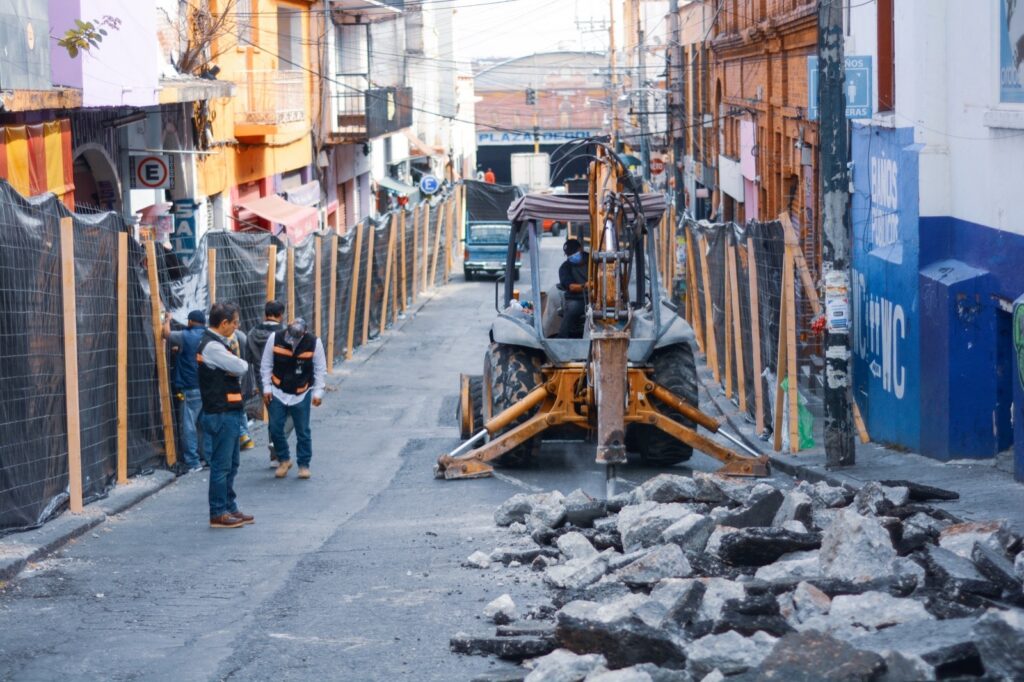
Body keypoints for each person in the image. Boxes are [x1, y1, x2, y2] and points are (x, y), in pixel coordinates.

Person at [197, 302, 253, 529]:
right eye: (235, 322)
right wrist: (236, 365)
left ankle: (229, 507)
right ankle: (218, 512)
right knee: (222, 466)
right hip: (221, 412)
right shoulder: (212, 347)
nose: (237, 327)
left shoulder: (217, 343)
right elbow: (241, 367)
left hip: (227, 411)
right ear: (223, 323)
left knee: (232, 463)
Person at [261, 317, 326, 480]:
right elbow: (266, 364)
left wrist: (318, 392)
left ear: (304, 333)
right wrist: (267, 387)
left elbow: (319, 369)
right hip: (277, 390)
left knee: (303, 431)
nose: (292, 340)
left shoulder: (314, 343)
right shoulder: (275, 338)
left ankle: (304, 465)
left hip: (301, 392)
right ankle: (284, 459)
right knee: (275, 428)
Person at [162, 309, 208, 473]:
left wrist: (167, 319)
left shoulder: (186, 336)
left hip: (190, 387)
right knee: (203, 423)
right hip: (206, 386)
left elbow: (166, 334)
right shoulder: (208, 336)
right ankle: (207, 457)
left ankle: (193, 462)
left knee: (188, 425)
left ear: (190, 322)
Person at [246, 300, 290, 467]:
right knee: (291, 413)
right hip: (284, 379)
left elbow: (248, 358)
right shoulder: (285, 333)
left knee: (273, 415)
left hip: (262, 379)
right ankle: (278, 446)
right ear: (281, 315)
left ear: (265, 314)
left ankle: (275, 457)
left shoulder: (252, 333)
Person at [557, 238, 589, 339]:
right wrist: (586, 286)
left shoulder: (593, 260)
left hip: (597, 296)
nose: (571, 256)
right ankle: (562, 338)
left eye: (574, 253)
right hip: (577, 299)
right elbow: (571, 286)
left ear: (580, 249)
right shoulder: (565, 268)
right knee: (572, 309)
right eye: (569, 255)